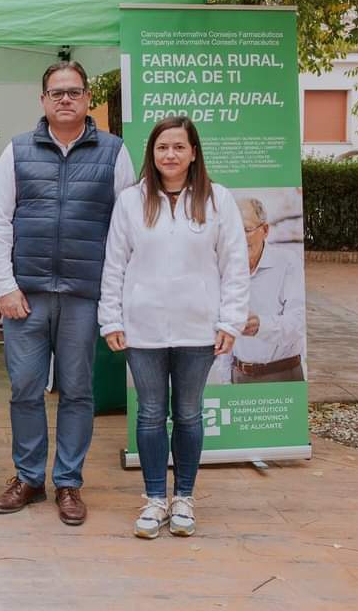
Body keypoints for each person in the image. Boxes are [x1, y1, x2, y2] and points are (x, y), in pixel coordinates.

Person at [0, 61, 135, 524]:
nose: (65, 99)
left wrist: (114, 298)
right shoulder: (17, 151)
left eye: (74, 91)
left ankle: (68, 482)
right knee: (25, 388)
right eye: (56, 92)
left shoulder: (114, 152)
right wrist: (4, 288)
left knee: (77, 391)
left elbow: (126, 230)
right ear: (43, 101)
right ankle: (28, 478)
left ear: (88, 98)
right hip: (24, 297)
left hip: (83, 295)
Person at [98, 116, 248, 539]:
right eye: (162, 147)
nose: (170, 155)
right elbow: (115, 264)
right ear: (152, 153)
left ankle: (183, 497)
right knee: (148, 415)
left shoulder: (218, 200)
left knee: (187, 413)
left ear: (194, 152)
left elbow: (235, 266)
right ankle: (153, 500)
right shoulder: (131, 201)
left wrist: (230, 320)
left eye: (178, 147)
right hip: (141, 328)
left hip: (198, 329)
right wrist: (111, 317)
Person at [231, 197, 306, 383]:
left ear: (264, 230)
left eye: (246, 230)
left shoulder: (288, 263)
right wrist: (227, 380)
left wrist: (261, 326)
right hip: (238, 375)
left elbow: (299, 322)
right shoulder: (225, 268)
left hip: (282, 374)